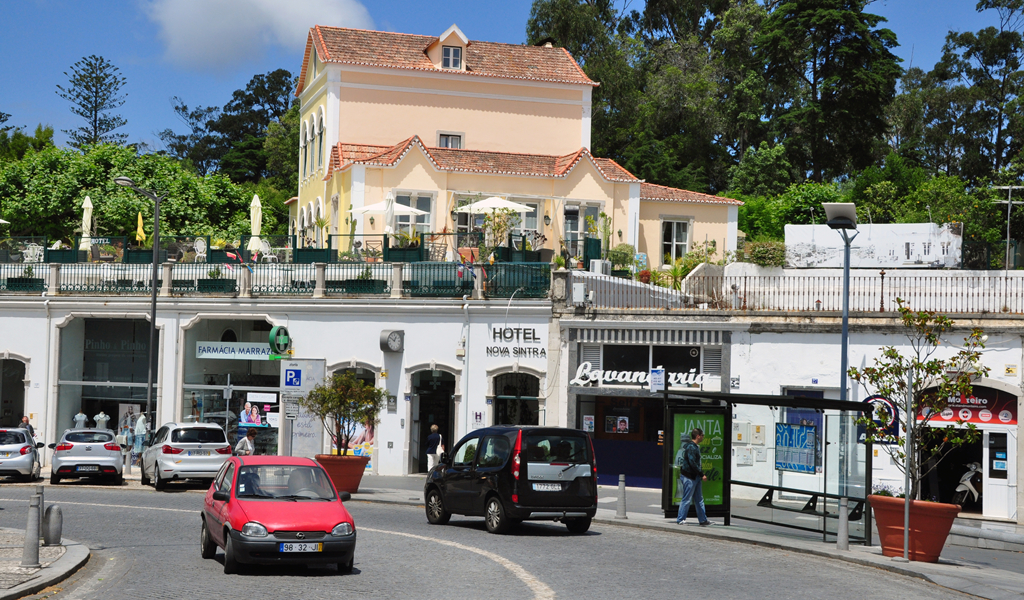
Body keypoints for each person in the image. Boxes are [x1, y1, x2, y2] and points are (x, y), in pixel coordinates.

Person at [675, 428, 711, 526]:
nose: (703, 437)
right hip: (689, 477)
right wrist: (701, 474)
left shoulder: (695, 446)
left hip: (695, 477)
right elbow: (692, 463)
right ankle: (680, 519)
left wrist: (699, 475)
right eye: (702, 435)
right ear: (698, 436)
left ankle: (703, 520)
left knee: (699, 499)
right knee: (687, 499)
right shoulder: (691, 447)